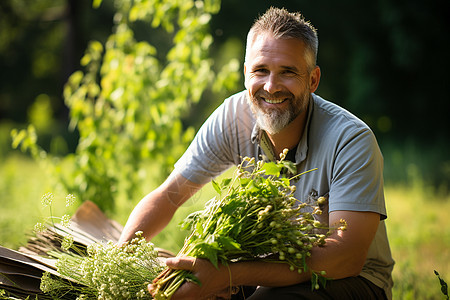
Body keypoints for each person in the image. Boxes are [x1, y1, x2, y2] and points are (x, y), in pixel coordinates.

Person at [118, 6, 395, 300]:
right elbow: (169, 195)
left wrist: (228, 274)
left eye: (288, 72)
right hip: (264, 268)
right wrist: (120, 259)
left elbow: (345, 258)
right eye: (260, 71)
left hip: (352, 280)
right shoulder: (233, 116)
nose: (271, 86)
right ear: (245, 74)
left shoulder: (350, 140)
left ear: (313, 80)